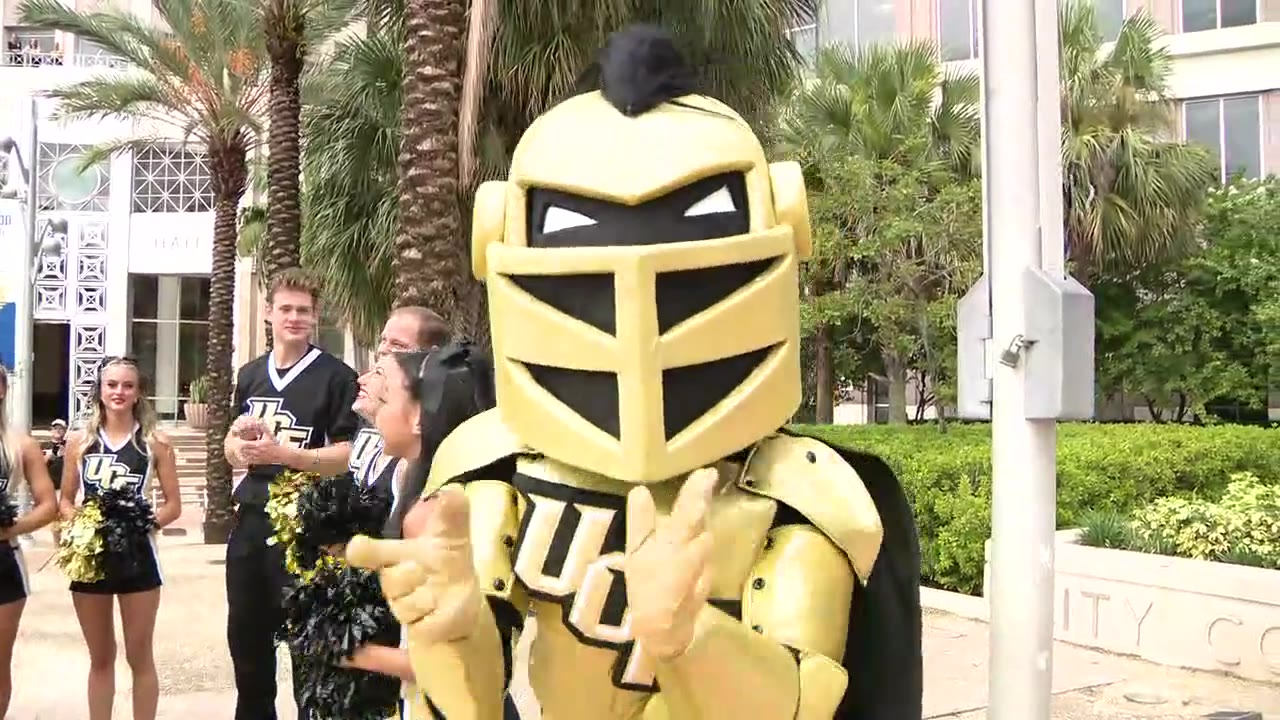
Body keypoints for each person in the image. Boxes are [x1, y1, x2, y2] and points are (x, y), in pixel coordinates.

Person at [348, 23, 923, 720]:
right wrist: (455, 631)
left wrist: (695, 638)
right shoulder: (493, 467)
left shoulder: (806, 493)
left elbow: (805, 701)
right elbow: (466, 701)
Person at [223, 268, 360, 720]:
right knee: (247, 641)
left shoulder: (337, 376)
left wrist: (286, 453)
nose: (295, 318)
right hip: (251, 521)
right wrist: (238, 445)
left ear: (316, 316)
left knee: (307, 647)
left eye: (304, 311)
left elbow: (346, 455)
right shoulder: (249, 375)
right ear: (268, 313)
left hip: (305, 526)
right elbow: (229, 445)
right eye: (286, 309)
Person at [59, 357, 182, 720]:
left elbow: (173, 505)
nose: (119, 392)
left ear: (138, 392)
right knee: (100, 657)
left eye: (127, 385)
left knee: (139, 655)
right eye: (111, 384)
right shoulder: (79, 442)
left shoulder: (155, 443)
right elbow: (65, 499)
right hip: (91, 557)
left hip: (138, 556)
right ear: (100, 390)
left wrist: (142, 524)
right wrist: (83, 525)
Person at [0, 365, 58, 717]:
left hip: (3, 563)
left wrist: (11, 529)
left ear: (3, 390)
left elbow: (48, 505)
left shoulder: (21, 445)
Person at [43, 419, 68, 544]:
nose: (58, 431)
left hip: (67, 487)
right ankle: (58, 545)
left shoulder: (69, 445)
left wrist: (66, 452)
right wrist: (53, 454)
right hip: (53, 487)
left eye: (60, 428)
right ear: (51, 431)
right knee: (56, 518)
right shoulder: (45, 445)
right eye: (55, 428)